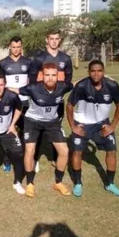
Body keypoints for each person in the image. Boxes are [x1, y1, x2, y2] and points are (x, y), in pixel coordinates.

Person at [66, 60, 119, 197]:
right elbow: (69, 106)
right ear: (89, 72)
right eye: (93, 71)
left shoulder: (112, 85)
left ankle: (110, 183)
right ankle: (78, 183)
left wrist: (112, 125)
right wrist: (73, 126)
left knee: (112, 151)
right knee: (77, 153)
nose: (96, 74)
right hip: (82, 124)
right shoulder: (81, 86)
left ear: (104, 72)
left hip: (102, 124)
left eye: (99, 71)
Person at [20, 62, 73, 197]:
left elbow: (77, 83)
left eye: (53, 75)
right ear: (41, 76)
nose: (50, 78)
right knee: (30, 150)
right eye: (47, 75)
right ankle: (30, 183)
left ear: (57, 76)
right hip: (32, 121)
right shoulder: (33, 88)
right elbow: (14, 89)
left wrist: (104, 77)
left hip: (52, 122)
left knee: (64, 151)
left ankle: (58, 182)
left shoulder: (63, 86)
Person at [28, 29, 73, 171]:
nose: (54, 41)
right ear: (46, 40)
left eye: (56, 38)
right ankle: (34, 159)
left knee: (56, 128)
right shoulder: (39, 58)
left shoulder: (65, 59)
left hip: (57, 101)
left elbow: (68, 80)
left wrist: (59, 92)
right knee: (38, 130)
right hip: (41, 101)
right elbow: (32, 79)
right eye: (51, 38)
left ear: (60, 40)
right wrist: (40, 95)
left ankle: (55, 157)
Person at [0, 36, 31, 173]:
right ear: (9, 47)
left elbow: (31, 82)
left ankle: (27, 157)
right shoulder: (2, 63)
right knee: (8, 132)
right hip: (9, 102)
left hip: (25, 102)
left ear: (21, 47)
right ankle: (6, 160)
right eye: (13, 47)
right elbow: (0, 83)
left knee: (27, 132)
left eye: (18, 47)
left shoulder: (28, 62)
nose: (16, 49)